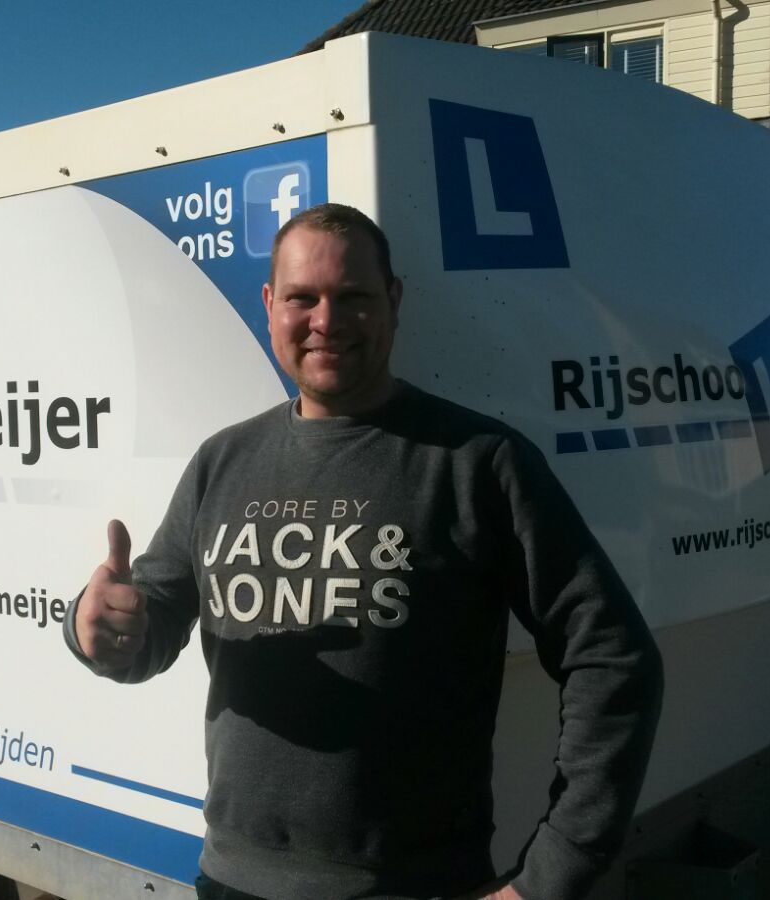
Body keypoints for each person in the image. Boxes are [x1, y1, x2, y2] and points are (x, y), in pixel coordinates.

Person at [66, 204, 663, 900]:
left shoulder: (478, 464)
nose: (326, 320)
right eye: (302, 298)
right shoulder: (221, 461)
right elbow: (153, 619)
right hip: (231, 880)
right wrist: (97, 628)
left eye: (352, 296)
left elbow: (613, 659)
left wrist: (552, 876)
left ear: (394, 302)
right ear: (270, 305)